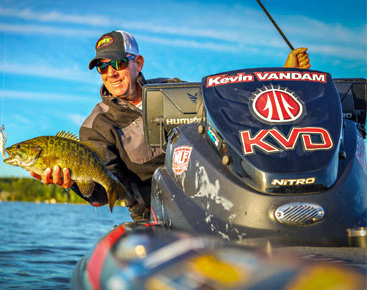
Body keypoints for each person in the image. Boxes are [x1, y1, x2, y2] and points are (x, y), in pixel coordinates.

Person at [30, 30, 311, 221]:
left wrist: (287, 76)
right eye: (102, 67)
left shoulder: (175, 90)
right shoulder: (95, 126)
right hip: (153, 219)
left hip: (213, 209)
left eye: (117, 62)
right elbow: (106, 190)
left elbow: (234, 111)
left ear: (137, 63)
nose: (111, 72)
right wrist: (74, 185)